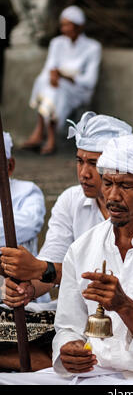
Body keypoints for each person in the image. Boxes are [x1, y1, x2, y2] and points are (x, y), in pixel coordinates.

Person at [1, 112, 133, 370]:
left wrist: (124, 307)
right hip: (93, 372)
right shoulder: (83, 245)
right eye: (108, 183)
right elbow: (67, 327)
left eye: (126, 186)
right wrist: (68, 349)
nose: (113, 195)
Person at [0, 131, 54, 372]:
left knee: (44, 355)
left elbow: (21, 229)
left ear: (9, 165)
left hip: (21, 301)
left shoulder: (27, 192)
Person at [22, 5, 102, 155]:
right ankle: (49, 137)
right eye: (62, 25)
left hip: (78, 90)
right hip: (57, 86)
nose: (64, 29)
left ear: (78, 27)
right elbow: (49, 67)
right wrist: (53, 75)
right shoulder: (57, 43)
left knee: (55, 89)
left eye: (67, 25)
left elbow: (90, 81)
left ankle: (40, 132)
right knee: (46, 83)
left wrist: (67, 76)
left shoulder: (92, 47)